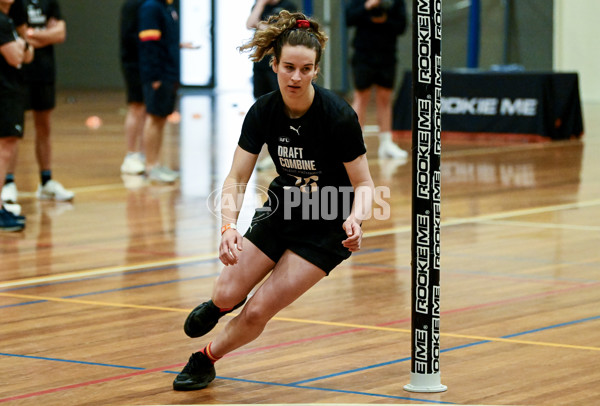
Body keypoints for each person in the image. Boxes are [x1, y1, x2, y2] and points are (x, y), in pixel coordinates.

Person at [172, 10, 375, 391]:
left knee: (259, 309)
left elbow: (364, 184)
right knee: (227, 292)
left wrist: (356, 219)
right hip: (283, 211)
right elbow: (236, 177)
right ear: (274, 64)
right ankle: (218, 306)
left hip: (327, 226)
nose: (296, 77)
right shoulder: (263, 111)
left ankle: (206, 357)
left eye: (306, 69)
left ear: (316, 70)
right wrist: (228, 226)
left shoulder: (338, 117)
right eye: (288, 67)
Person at [2, 0, 74, 204]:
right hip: (18, 72)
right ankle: (8, 183)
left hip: (44, 70)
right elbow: (15, 34)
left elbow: (60, 34)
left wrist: (31, 35)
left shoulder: (49, 1)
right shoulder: (14, 3)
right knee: (12, 133)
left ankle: (46, 181)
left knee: (44, 126)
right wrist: (40, 36)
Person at [346, 0, 408, 159]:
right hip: (363, 55)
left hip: (387, 55)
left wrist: (385, 20)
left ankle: (386, 143)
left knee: (385, 98)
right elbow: (349, 18)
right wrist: (368, 6)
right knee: (361, 97)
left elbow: (402, 26)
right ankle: (354, 142)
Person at [247, 0, 297, 171]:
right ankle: (262, 152)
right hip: (260, 63)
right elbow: (249, 23)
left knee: (280, 108)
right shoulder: (260, 5)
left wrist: (261, 26)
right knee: (262, 107)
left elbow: (279, 31)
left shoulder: (288, 6)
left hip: (277, 64)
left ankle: (278, 152)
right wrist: (260, 4)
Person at [137, 0, 180, 183]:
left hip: (169, 73)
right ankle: (150, 165)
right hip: (158, 74)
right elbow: (149, 43)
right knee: (154, 117)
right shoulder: (151, 7)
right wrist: (154, 75)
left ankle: (157, 163)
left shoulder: (167, 7)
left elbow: (166, 40)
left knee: (161, 118)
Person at [0, 0, 33, 231]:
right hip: (3, 92)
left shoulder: (9, 20)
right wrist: (23, 44)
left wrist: (22, 44)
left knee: (7, 148)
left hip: (10, 91)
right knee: (3, 150)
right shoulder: (1, 23)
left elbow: (28, 55)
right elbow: (17, 57)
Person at [119, 0, 146, 175]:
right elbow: (129, 36)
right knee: (136, 107)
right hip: (135, 64)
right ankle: (130, 155)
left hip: (147, 64)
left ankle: (142, 154)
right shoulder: (132, 5)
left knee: (146, 110)